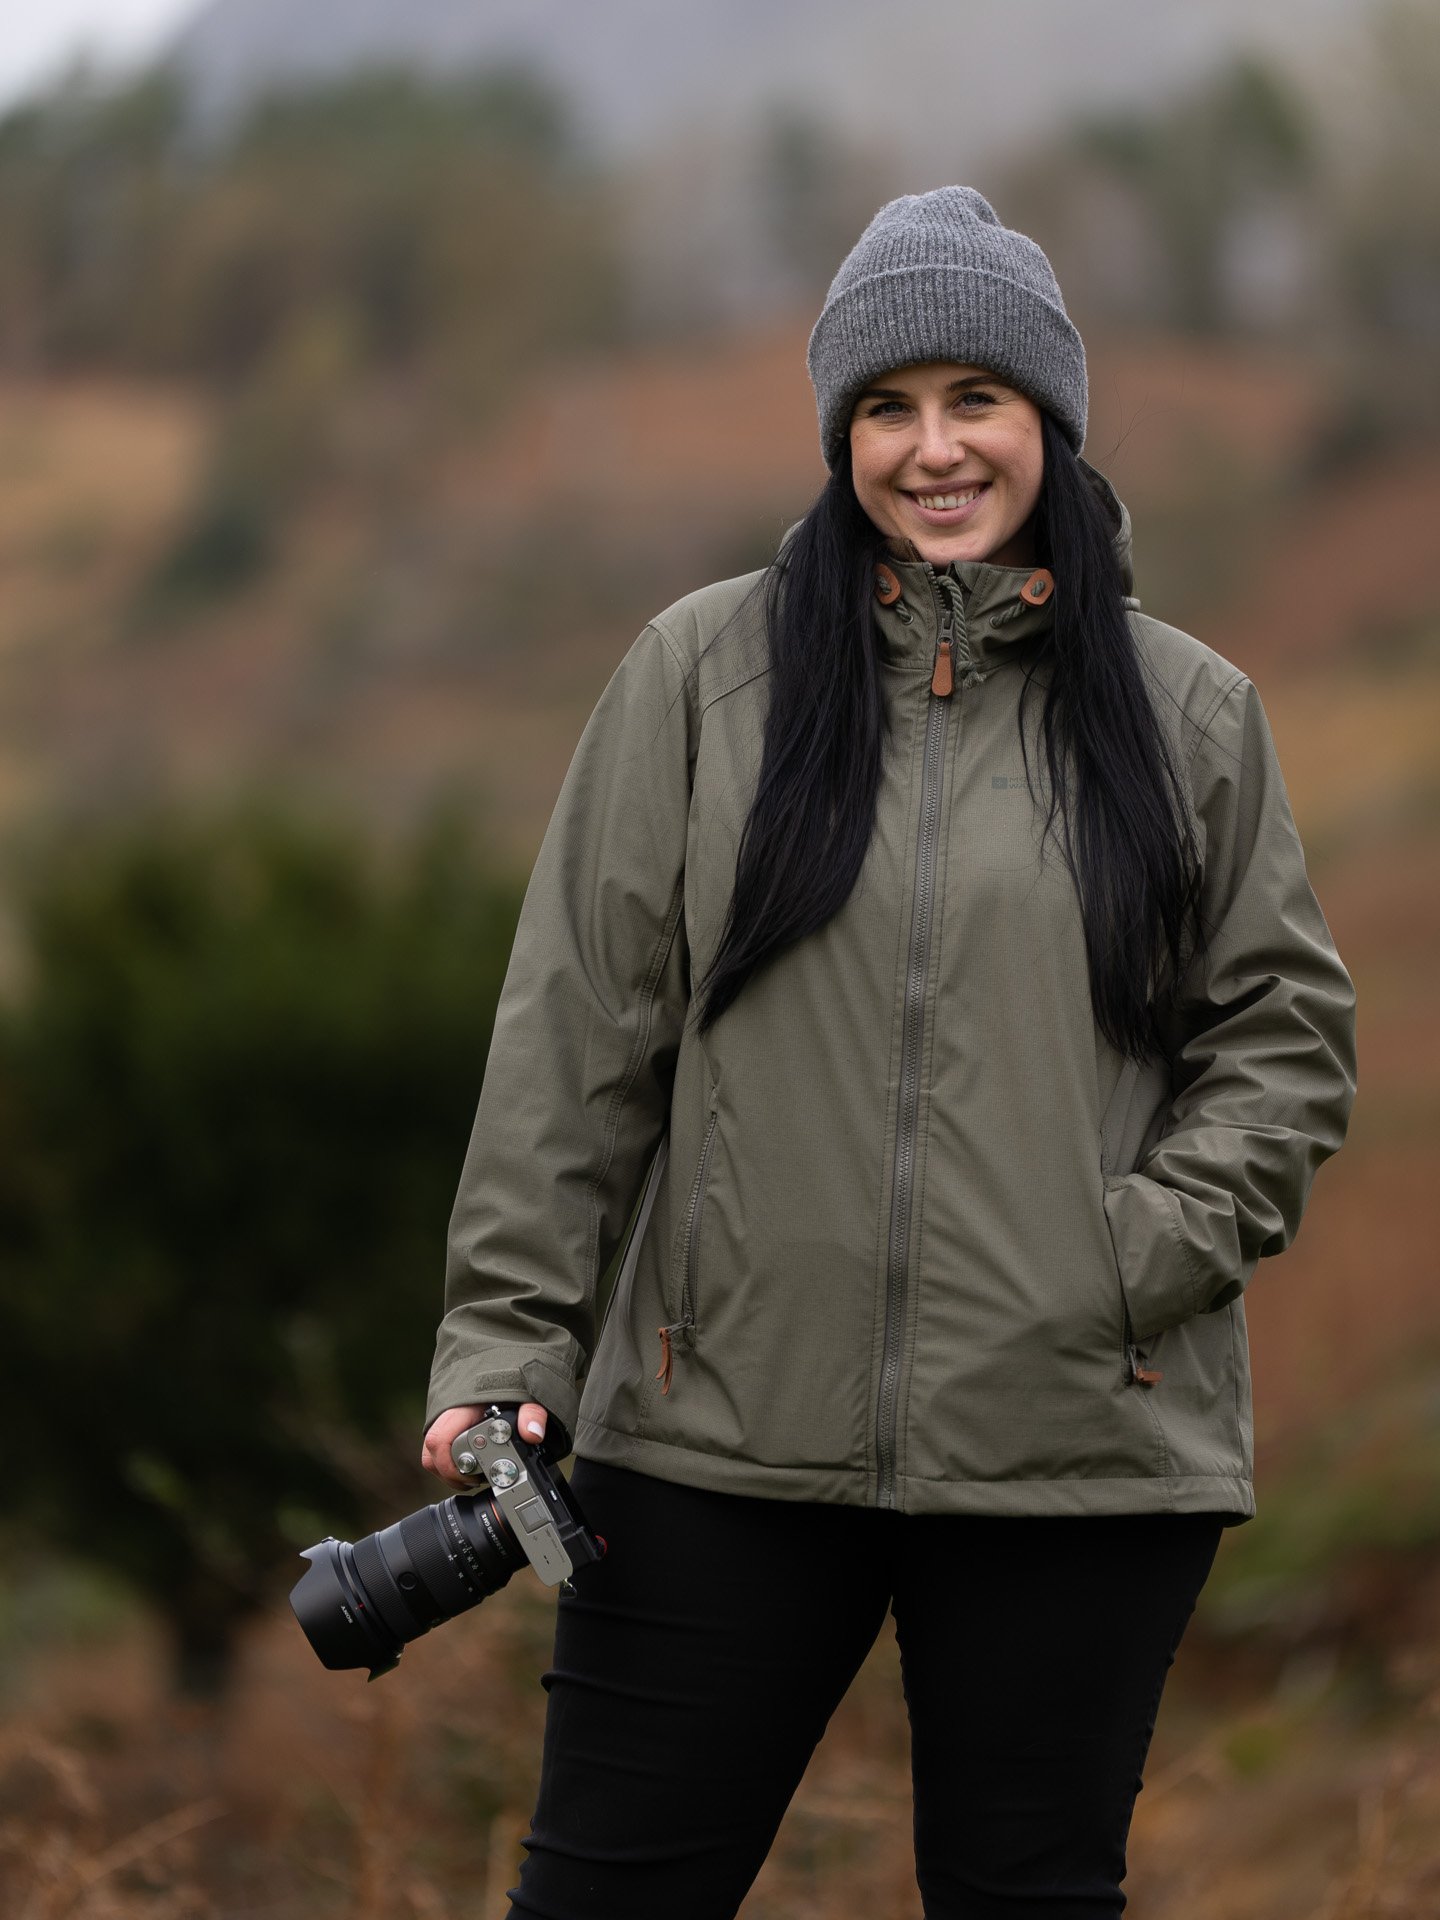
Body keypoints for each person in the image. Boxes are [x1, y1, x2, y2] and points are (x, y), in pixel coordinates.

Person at [420, 187, 1357, 1919]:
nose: (932, 451)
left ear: (1048, 423)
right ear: (841, 434)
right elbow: (577, 1037)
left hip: (1078, 1448)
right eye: (885, 408)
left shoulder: (1188, 712)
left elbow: (1288, 1039)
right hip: (714, 1437)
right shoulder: (698, 680)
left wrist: (1126, 1254)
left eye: (973, 401)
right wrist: (502, 1339)